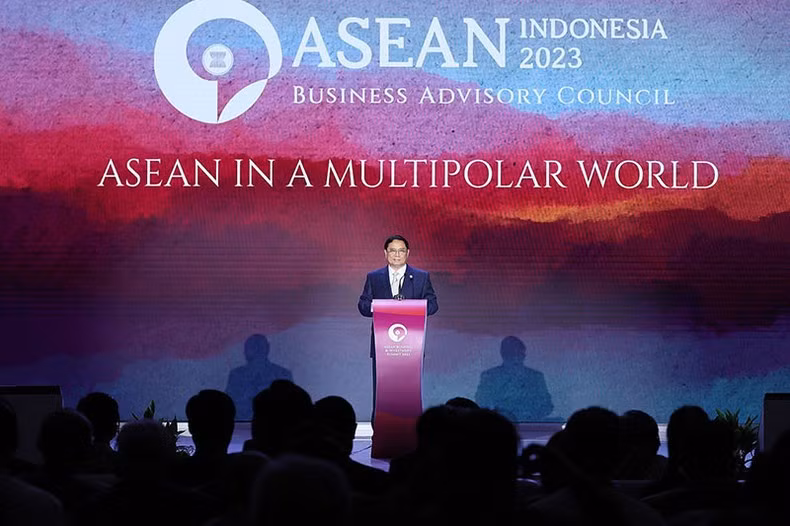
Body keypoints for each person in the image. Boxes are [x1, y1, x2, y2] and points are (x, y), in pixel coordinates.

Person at [357, 235, 438, 417]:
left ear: (408, 253)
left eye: (401, 251)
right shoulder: (374, 277)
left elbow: (433, 304)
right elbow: (363, 305)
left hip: (412, 347)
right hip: (383, 346)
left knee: (408, 393)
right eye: (392, 251)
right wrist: (379, 308)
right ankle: (380, 435)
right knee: (382, 394)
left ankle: (411, 433)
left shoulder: (421, 277)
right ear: (385, 253)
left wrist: (414, 309)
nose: (397, 255)